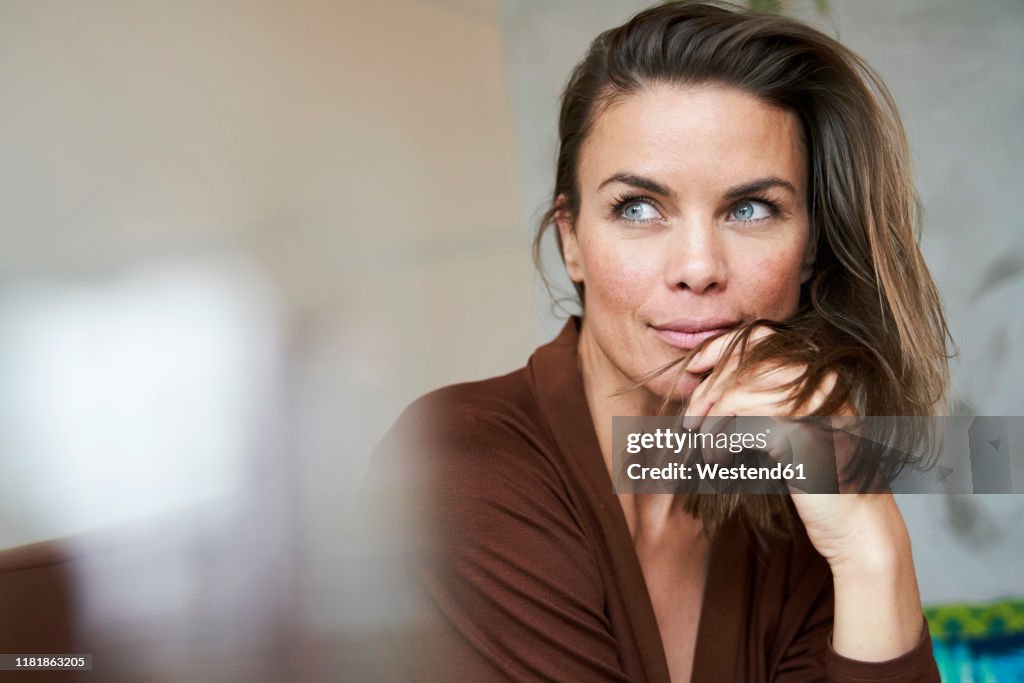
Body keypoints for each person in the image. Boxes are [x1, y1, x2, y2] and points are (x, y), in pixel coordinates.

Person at [363, 1, 950, 681]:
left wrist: (869, 543)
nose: (698, 267)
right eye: (638, 208)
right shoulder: (458, 459)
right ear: (571, 240)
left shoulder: (791, 493)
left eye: (749, 208)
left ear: (810, 252)